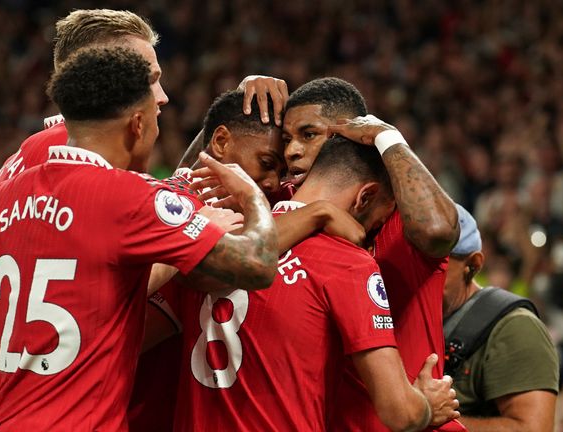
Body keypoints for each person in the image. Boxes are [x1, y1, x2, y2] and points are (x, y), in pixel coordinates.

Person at [0, 9, 289, 431]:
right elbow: (140, 226)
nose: (162, 95)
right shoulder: (84, 172)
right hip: (53, 407)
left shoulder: (35, 160)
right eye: (149, 78)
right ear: (106, 74)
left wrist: (228, 115)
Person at [173, 135, 458, 431]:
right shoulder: (347, 261)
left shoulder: (222, 239)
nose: (372, 233)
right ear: (366, 197)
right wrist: (426, 404)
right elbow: (401, 414)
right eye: (376, 223)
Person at [129, 89, 366, 431]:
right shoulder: (177, 212)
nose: (271, 183)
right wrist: (317, 213)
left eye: (279, 171)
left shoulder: (206, 204)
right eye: (267, 164)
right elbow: (124, 339)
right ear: (222, 142)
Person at [269, 77, 462, 431]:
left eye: (308, 135)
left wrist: (387, 136)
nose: (291, 151)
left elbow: (439, 231)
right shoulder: (288, 209)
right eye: (286, 140)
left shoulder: (398, 212)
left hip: (415, 420)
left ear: (350, 136)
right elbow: (194, 210)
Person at [442, 204, 558, 431]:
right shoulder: (402, 315)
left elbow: (534, 429)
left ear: (473, 264)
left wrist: (431, 423)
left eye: (435, 263)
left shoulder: (514, 328)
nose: (418, 273)